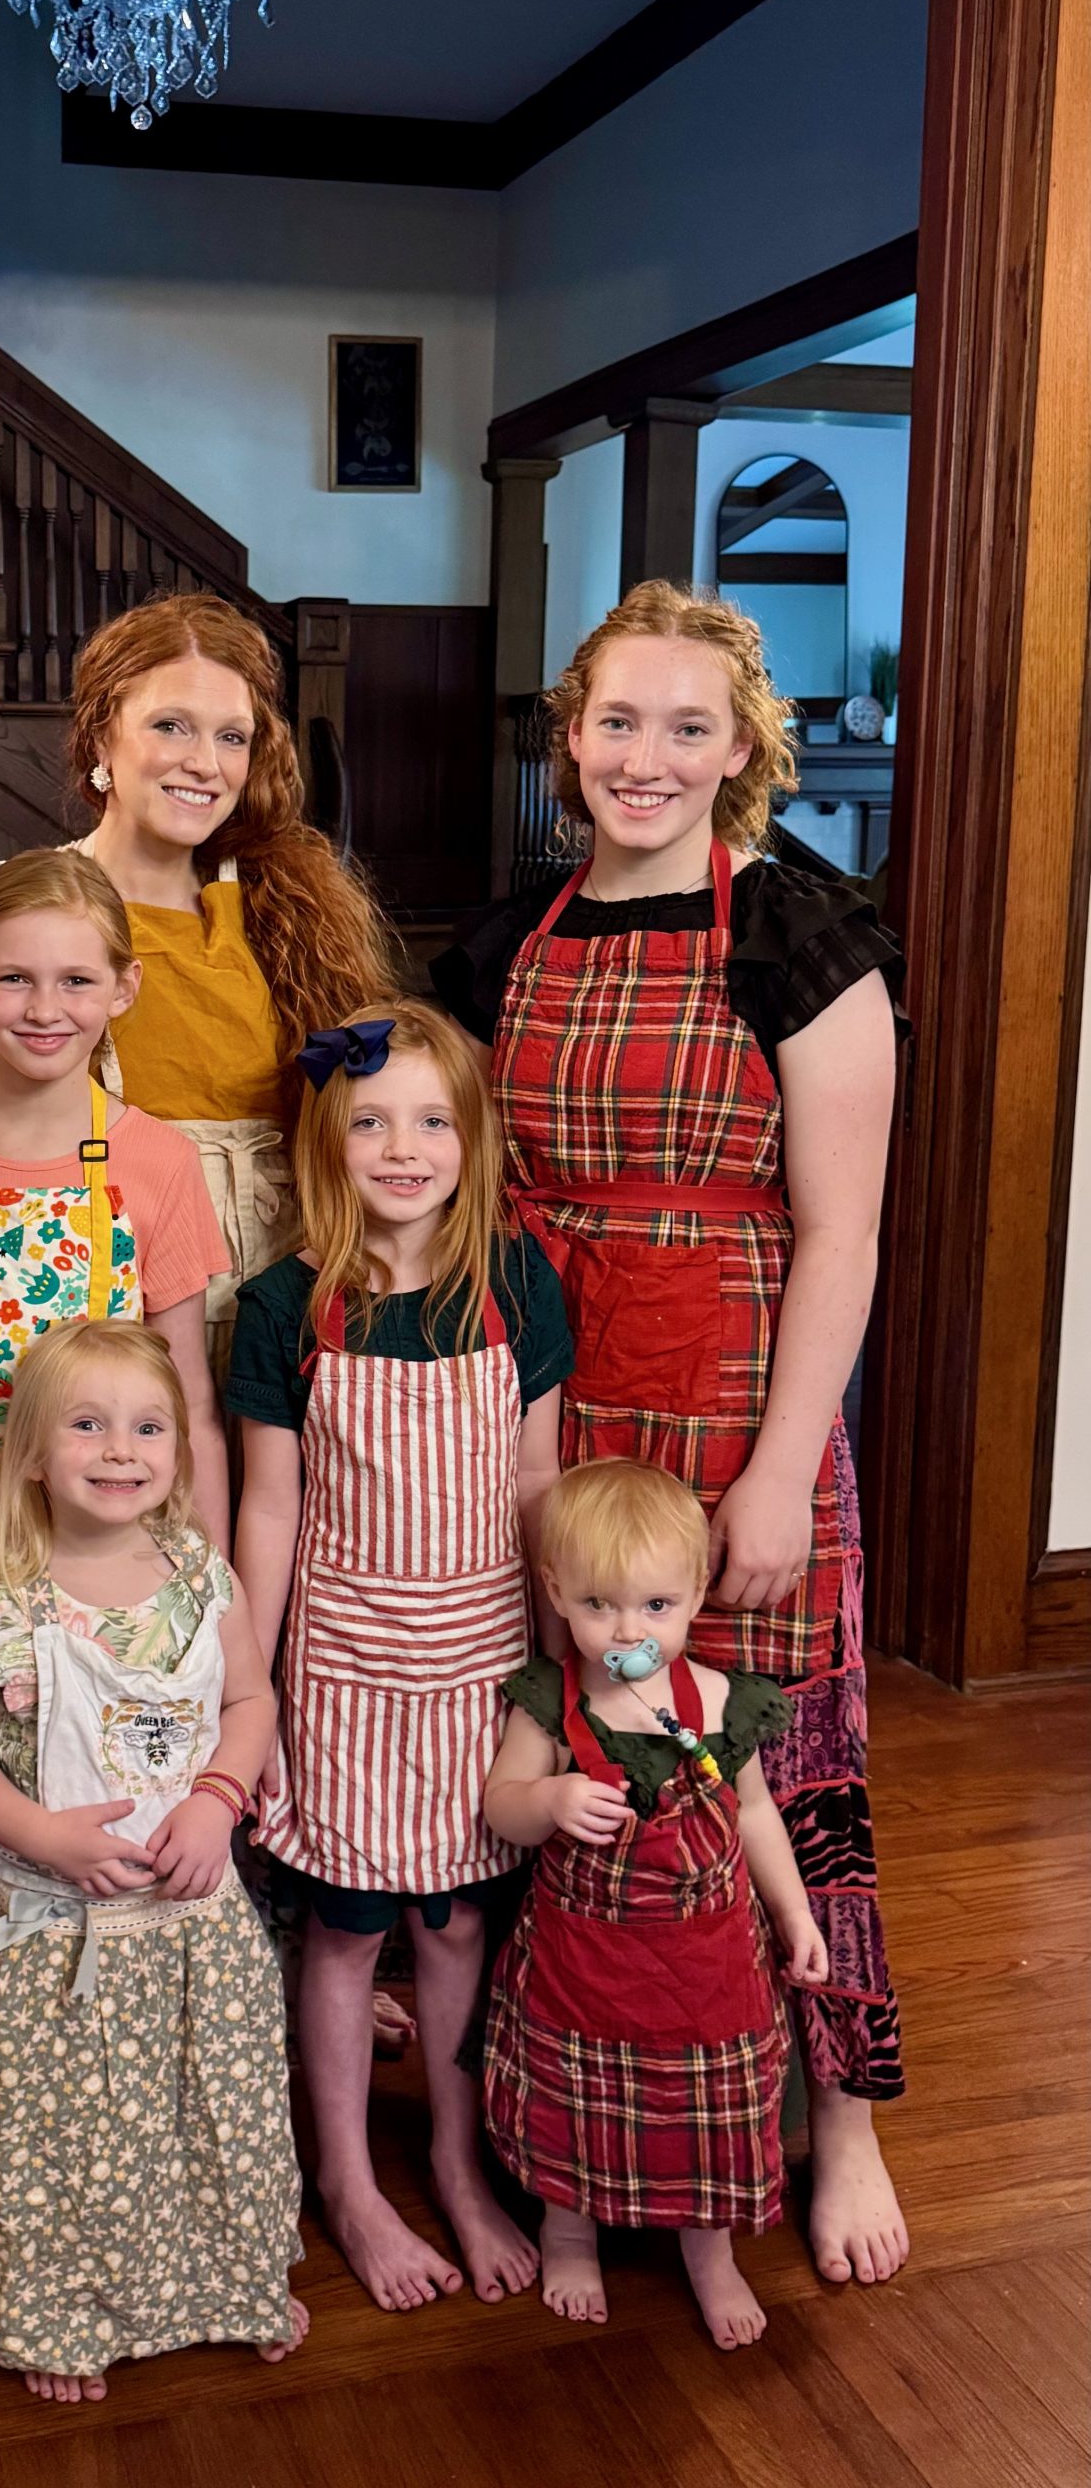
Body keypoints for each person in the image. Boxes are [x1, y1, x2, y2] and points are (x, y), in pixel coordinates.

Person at [435, 579, 909, 2289]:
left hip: (737, 1415)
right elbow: (483, 1212)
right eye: (617, 721)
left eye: (686, 726)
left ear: (740, 750)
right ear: (572, 736)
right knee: (573, 1757)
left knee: (789, 1764)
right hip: (564, 1409)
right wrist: (507, 1455)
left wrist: (784, 1469)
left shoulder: (803, 934)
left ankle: (840, 2110)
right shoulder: (506, 944)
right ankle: (572, 2112)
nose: (646, 756)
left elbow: (842, 1233)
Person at [226, 1001, 571, 2314]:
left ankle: (452, 2151)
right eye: (371, 1121)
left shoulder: (514, 1284)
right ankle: (349, 2181)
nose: (404, 1147)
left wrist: (559, 1687)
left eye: (432, 1120)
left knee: (460, 1914)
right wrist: (249, 1695)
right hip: (343, 1668)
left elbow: (537, 1481)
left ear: (470, 1139)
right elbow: (270, 1507)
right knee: (345, 1926)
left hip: (483, 1654)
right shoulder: (285, 1307)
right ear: (328, 1140)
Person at [0, 1320, 306, 2403]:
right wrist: (39, 1833)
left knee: (211, 2117)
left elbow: (247, 1701)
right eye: (86, 1425)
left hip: (192, 1925)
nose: (120, 1448)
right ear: (35, 1453)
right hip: (57, 1941)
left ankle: (229, 2281)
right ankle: (51, 2310)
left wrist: (220, 1799)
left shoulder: (199, 1573)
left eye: (147, 1426)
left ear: (178, 1450)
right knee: (55, 2143)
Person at [0, 849, 231, 1936]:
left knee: (103, 1774)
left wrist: (202, 1573)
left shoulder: (155, 1161)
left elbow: (189, 1399)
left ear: (123, 989)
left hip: (113, 1540)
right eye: (15, 978)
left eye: (76, 981)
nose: (44, 1007)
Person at [0, 592, 397, 1377]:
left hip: (279, 1310)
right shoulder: (8, 906)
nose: (205, 762)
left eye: (233, 737)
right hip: (96, 1314)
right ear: (103, 734)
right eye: (171, 726)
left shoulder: (295, 913)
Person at [483, 1458, 829, 2350]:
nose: (624, 1630)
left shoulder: (718, 1702)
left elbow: (754, 1816)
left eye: (655, 1608)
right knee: (572, 2103)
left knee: (712, 2114)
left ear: (695, 1595)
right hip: (581, 1969)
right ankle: (568, 2235)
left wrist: (794, 1916)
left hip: (707, 1973)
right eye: (597, 1605)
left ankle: (710, 2254)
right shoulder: (550, 1705)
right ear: (556, 1592)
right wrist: (550, 1802)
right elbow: (502, 1806)